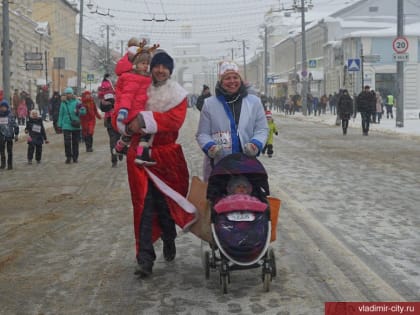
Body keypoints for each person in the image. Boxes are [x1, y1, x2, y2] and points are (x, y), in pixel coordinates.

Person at [125, 49, 197, 277]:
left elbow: (173, 122)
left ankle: (169, 237)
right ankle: (144, 259)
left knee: (165, 205)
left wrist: (144, 119)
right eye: (157, 65)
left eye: (165, 67)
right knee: (143, 207)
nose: (160, 70)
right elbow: (125, 112)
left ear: (170, 70)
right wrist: (127, 126)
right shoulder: (140, 90)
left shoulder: (177, 95)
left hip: (165, 157)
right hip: (139, 156)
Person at [196, 61, 269, 181]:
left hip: (246, 164)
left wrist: (255, 144)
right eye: (227, 78)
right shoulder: (209, 104)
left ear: (240, 80)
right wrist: (210, 146)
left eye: (235, 77)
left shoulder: (254, 102)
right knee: (219, 199)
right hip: (218, 166)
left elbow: (262, 129)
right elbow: (202, 133)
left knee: (245, 197)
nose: (232, 81)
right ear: (220, 81)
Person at [113, 42, 159, 165]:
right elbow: (127, 95)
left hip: (139, 111)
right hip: (130, 111)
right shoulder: (131, 78)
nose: (146, 66)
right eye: (143, 63)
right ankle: (141, 154)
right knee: (147, 132)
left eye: (148, 64)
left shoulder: (147, 79)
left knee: (132, 133)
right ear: (135, 65)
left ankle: (120, 146)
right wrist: (123, 109)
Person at [57, 87, 86, 164]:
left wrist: (78, 111)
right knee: (67, 142)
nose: (68, 95)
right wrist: (59, 125)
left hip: (75, 124)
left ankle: (75, 157)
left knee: (75, 142)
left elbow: (84, 112)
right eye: (67, 93)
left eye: (69, 93)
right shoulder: (63, 103)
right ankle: (68, 157)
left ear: (72, 93)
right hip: (66, 125)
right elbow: (60, 114)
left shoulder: (77, 102)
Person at [98, 73, 120, 167]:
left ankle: (117, 154)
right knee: (115, 139)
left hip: (114, 119)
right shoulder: (109, 94)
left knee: (115, 139)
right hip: (113, 119)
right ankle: (115, 156)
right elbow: (102, 107)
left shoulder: (118, 94)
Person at [0, 100, 19, 170]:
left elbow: (15, 125)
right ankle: (3, 164)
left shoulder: (10, 115)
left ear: (7, 107)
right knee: (1, 151)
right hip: (1, 136)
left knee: (9, 151)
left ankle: (10, 165)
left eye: (4, 107)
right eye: (1, 107)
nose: (3, 108)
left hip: (9, 135)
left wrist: (16, 134)